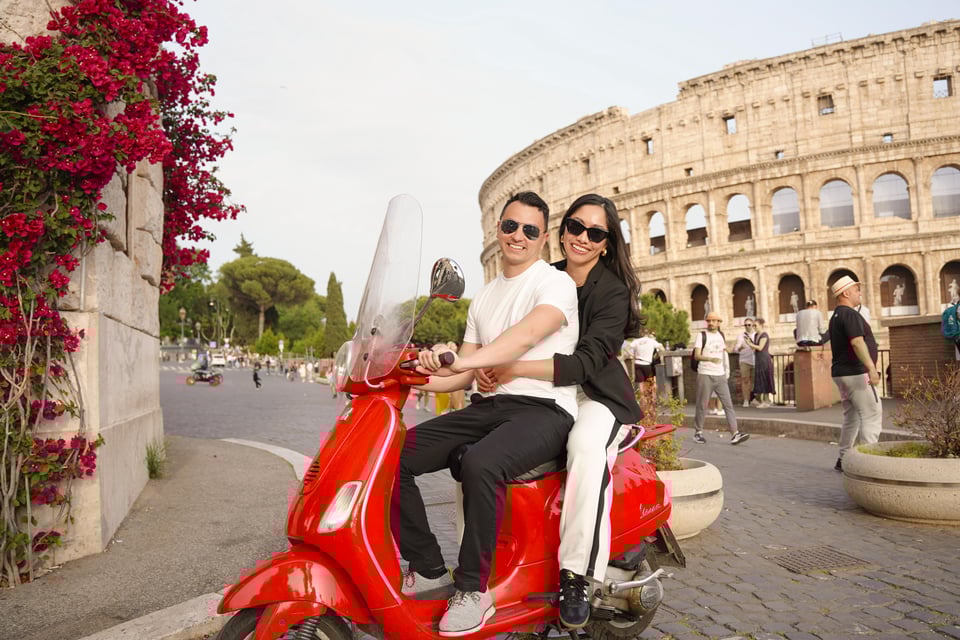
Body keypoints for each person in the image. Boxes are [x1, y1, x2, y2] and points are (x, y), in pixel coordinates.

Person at [391, 191, 580, 637]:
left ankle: (473, 590)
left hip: (546, 408)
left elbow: (523, 337)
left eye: (530, 230)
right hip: (492, 405)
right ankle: (429, 567)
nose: (518, 236)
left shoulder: (555, 284)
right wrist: (413, 375)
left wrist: (463, 361)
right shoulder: (484, 297)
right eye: (511, 226)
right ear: (498, 230)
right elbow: (458, 375)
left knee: (481, 461)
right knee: (390, 455)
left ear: (543, 239)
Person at [478, 193, 643, 629]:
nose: (583, 238)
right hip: (544, 391)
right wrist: (484, 367)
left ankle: (577, 574)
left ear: (607, 243)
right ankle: (480, 572)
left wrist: (507, 366)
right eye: (575, 227)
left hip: (595, 397)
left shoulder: (613, 291)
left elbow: (586, 364)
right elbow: (514, 336)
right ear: (562, 230)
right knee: (478, 446)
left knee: (586, 446)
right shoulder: (545, 277)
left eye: (596, 233)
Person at [829, 276, 882, 472]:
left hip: (841, 373)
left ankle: (844, 459)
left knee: (851, 417)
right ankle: (867, 464)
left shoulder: (836, 316)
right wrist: (871, 368)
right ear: (846, 293)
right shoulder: (849, 314)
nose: (860, 293)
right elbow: (857, 342)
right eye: (856, 289)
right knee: (871, 415)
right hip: (857, 373)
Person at [693, 311, 749, 445]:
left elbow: (723, 353)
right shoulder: (702, 336)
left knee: (728, 405)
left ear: (719, 323)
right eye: (709, 321)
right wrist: (710, 358)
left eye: (713, 321)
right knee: (702, 404)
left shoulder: (721, 335)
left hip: (720, 375)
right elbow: (697, 356)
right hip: (705, 373)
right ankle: (698, 432)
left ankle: (735, 433)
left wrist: (726, 370)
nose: (711, 323)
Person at [749, 318, 775, 407]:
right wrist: (751, 345)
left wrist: (749, 343)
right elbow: (755, 348)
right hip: (758, 359)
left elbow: (760, 347)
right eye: (753, 325)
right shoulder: (756, 335)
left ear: (761, 325)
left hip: (764, 359)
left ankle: (766, 400)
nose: (754, 327)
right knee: (760, 378)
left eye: (755, 325)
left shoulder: (764, 335)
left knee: (765, 378)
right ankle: (761, 400)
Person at [733, 318, 757, 407]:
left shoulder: (756, 335)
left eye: (749, 325)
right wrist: (739, 348)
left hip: (755, 360)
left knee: (755, 381)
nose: (747, 326)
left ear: (753, 325)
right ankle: (746, 400)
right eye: (745, 325)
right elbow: (735, 349)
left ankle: (754, 398)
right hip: (744, 360)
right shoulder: (741, 336)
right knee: (745, 380)